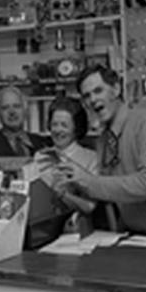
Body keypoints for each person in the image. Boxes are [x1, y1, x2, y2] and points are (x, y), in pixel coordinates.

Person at [55, 64, 146, 236]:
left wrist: (89, 182)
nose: (92, 100)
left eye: (98, 91)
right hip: (133, 237)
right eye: (87, 96)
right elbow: (111, 192)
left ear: (116, 89)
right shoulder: (104, 140)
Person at [25, 96, 98, 249]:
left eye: (64, 125)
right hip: (40, 237)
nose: (58, 130)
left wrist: (65, 196)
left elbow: (90, 207)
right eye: (54, 124)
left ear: (76, 128)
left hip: (78, 235)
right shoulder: (40, 156)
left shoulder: (91, 158)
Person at [0, 85, 47, 158]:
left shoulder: (40, 142)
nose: (12, 112)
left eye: (17, 106)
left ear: (25, 111)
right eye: (5, 108)